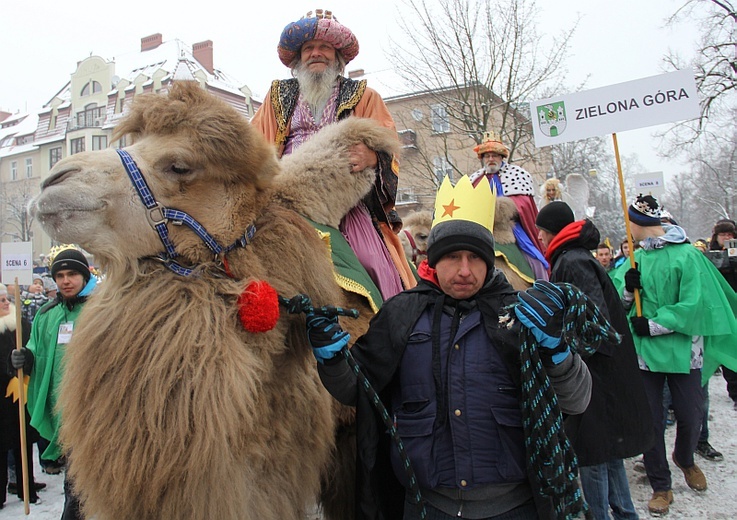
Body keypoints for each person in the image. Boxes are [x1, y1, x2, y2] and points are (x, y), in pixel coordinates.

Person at [308, 176, 592, 519]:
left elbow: (576, 400)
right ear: (432, 259)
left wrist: (557, 351)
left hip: (515, 508)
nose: (464, 270)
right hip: (425, 507)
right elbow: (357, 390)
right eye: (452, 257)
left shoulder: (522, 316)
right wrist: (332, 358)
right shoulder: (401, 314)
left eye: (475, 257)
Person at [251, 9, 416, 302]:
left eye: (324, 47)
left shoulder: (364, 95)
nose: (316, 53)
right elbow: (256, 146)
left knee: (370, 262)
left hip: (345, 199)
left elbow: (389, 146)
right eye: (309, 48)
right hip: (285, 192)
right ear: (298, 58)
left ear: (337, 56)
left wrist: (373, 158)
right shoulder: (277, 95)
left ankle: (381, 326)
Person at [611, 195, 737, 516]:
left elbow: (692, 305)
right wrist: (627, 290)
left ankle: (685, 457)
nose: (628, 231)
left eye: (630, 224)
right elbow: (616, 304)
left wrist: (651, 324)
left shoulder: (686, 257)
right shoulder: (634, 260)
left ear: (639, 224)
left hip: (684, 351)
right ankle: (661, 485)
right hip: (646, 356)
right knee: (651, 420)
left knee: (691, 413)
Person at [535, 201, 653, 520]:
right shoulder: (574, 257)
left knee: (592, 454)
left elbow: (592, 321)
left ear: (552, 232)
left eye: (542, 232)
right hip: (604, 371)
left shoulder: (571, 261)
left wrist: (563, 353)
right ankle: (626, 513)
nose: (540, 238)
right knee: (609, 452)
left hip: (595, 376)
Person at [11, 247, 98, 520]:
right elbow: (35, 350)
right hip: (64, 413)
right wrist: (23, 358)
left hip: (97, 412)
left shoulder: (102, 311)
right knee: (76, 484)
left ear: (85, 276)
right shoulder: (46, 314)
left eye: (72, 273)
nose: (66, 280)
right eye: (60, 275)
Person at [0, 284, 44, 508]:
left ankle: (26, 485)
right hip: (1, 397)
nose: (6, 303)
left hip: (22, 393)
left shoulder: (21, 324)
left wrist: (23, 366)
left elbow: (32, 349)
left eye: (7, 299)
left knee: (23, 442)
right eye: (1, 300)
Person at [469, 132, 546, 255]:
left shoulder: (517, 175)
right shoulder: (475, 179)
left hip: (511, 227)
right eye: (487, 156)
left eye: (494, 155)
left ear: (501, 157)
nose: (491, 159)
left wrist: (502, 209)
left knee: (534, 259)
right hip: (481, 228)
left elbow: (524, 206)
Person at [707, 219, 737, 413]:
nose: (727, 238)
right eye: (723, 235)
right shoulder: (710, 256)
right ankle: (734, 390)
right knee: (727, 349)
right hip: (722, 309)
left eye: (730, 235)